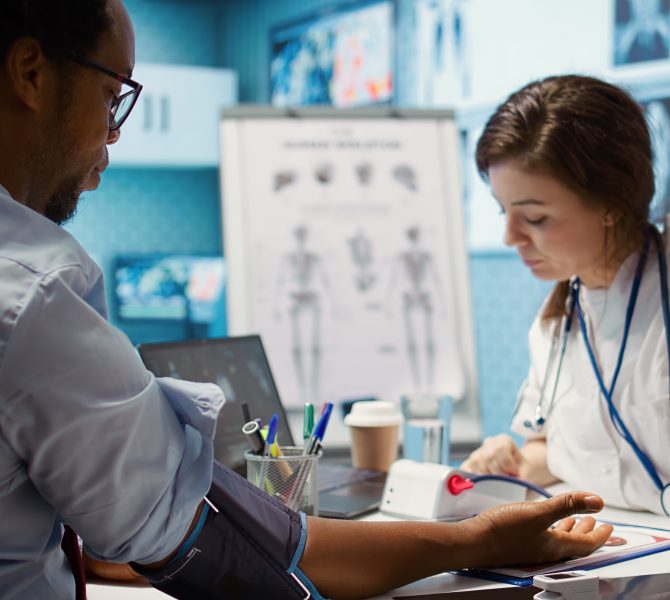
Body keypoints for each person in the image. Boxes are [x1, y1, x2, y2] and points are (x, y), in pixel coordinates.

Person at [0, 3, 613, 598]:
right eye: (112, 98)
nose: (112, 137)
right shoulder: (36, 293)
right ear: (29, 72)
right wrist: (475, 540)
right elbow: (215, 541)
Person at [461, 74, 670, 517]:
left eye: (534, 217)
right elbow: (554, 449)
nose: (509, 237)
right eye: (505, 212)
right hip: (602, 559)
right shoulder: (555, 323)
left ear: (611, 203)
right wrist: (515, 462)